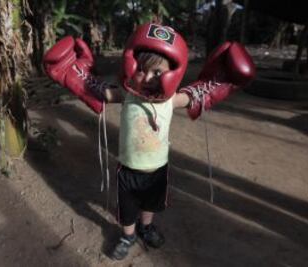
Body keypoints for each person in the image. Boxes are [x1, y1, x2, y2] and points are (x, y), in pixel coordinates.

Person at [43, 23, 255, 260]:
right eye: (144, 70)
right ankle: (128, 235)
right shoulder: (128, 94)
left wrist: (226, 78)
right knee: (127, 210)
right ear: (132, 67)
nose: (151, 78)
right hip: (128, 168)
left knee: (150, 205)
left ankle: (146, 228)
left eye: (158, 72)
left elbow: (200, 93)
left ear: (174, 72)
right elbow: (100, 92)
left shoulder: (171, 100)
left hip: (157, 168)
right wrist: (72, 70)